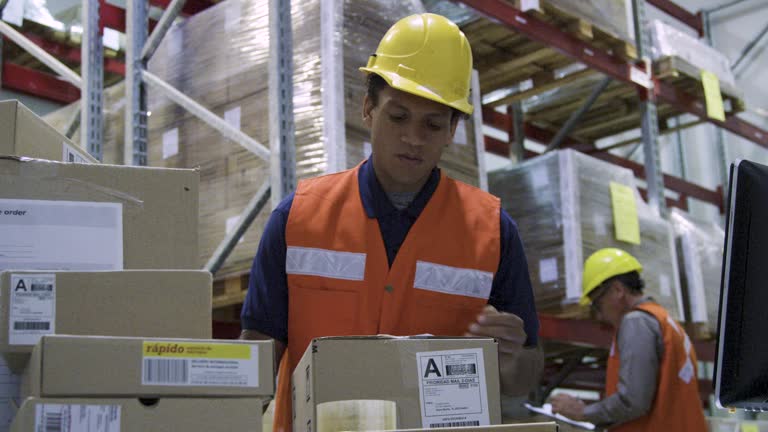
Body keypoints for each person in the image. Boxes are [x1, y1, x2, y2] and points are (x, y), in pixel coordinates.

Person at [240, 13, 543, 431]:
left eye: (433, 124)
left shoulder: (492, 232)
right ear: (368, 108)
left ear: (452, 130)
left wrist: (511, 358)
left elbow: (526, 373)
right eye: (398, 117)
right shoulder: (297, 218)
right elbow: (257, 355)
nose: (414, 138)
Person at [550, 248, 707, 431]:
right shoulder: (667, 321)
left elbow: (633, 400)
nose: (599, 316)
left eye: (597, 304)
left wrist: (583, 412)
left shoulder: (636, 322)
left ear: (617, 290)